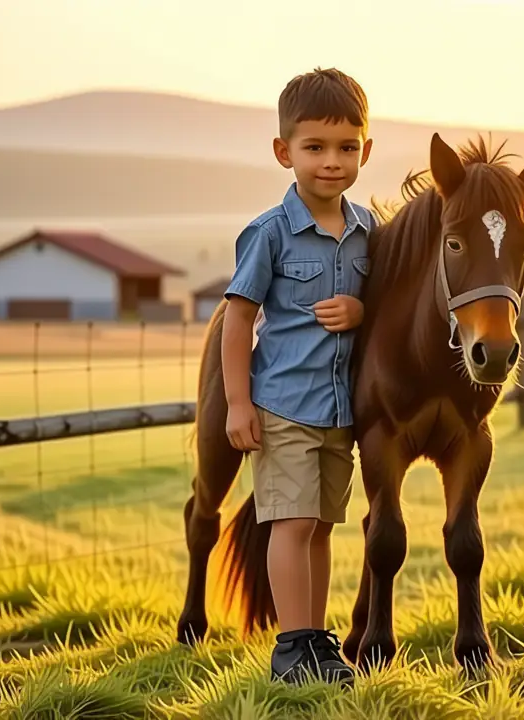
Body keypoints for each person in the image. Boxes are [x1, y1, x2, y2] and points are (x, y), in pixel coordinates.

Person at [221, 67, 376, 686]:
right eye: (314, 148)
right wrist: (238, 404)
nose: (331, 162)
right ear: (284, 152)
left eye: (346, 148)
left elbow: (382, 312)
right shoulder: (269, 234)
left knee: (320, 525)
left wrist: (363, 310)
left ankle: (318, 644)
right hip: (285, 404)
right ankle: (293, 649)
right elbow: (237, 322)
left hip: (340, 410)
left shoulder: (370, 233)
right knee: (290, 522)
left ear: (366, 150)